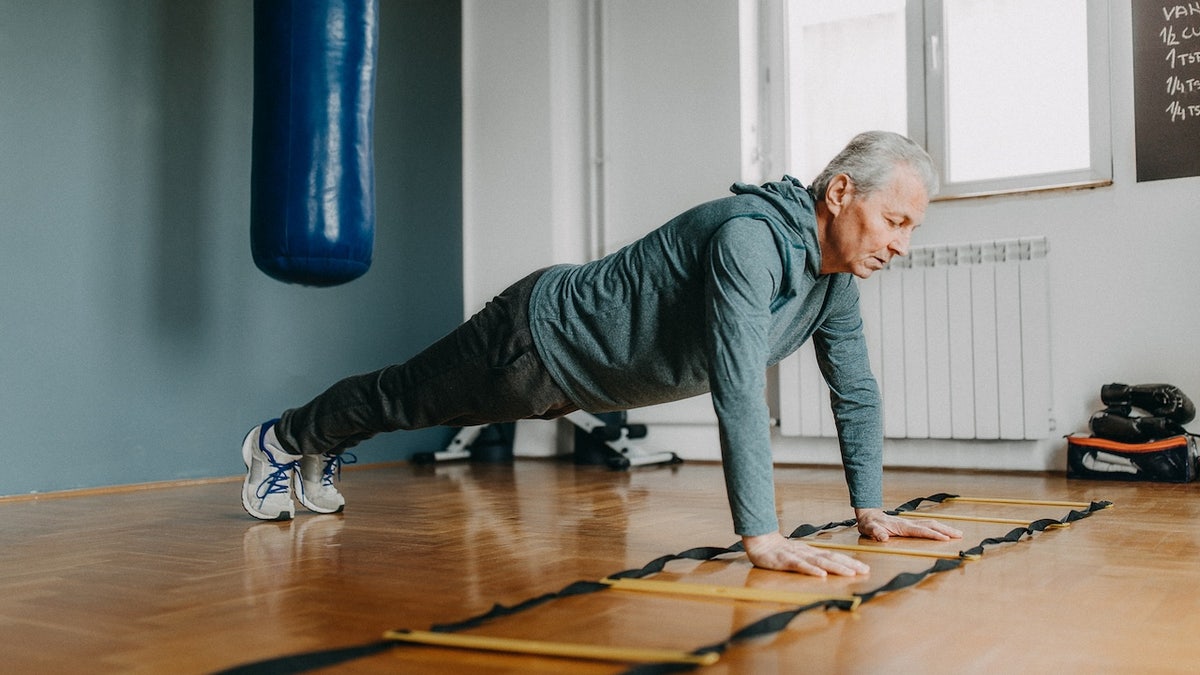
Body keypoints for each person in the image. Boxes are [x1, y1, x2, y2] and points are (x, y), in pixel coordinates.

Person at [241, 130, 964, 577]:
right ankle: (284, 438)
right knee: (401, 397)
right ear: (841, 193)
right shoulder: (750, 239)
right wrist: (761, 535)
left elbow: (856, 390)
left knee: (403, 401)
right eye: (895, 220)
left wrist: (871, 506)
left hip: (570, 381)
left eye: (911, 228)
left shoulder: (830, 282)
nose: (901, 244)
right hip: (531, 338)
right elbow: (740, 386)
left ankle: (316, 443)